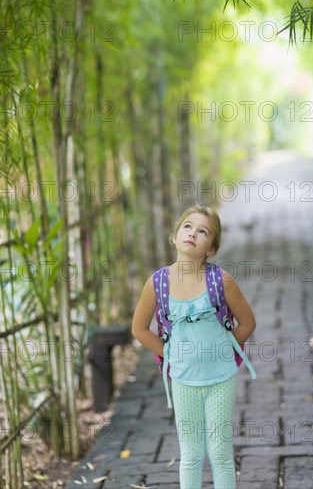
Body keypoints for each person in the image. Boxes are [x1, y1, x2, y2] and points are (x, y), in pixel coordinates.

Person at [132, 203, 257, 489]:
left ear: (210, 248)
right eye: (187, 227)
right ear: (175, 236)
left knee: (220, 453)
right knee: (191, 454)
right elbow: (139, 329)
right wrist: (172, 355)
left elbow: (248, 322)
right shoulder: (158, 283)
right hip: (184, 380)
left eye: (203, 231)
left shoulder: (221, 281)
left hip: (220, 378)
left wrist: (225, 350)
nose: (193, 233)